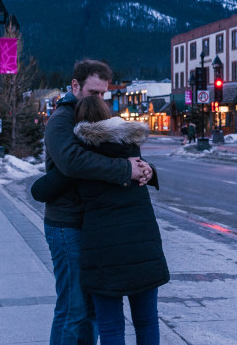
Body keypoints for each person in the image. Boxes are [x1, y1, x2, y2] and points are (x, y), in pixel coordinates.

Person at [33, 96, 168, 345]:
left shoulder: (85, 158)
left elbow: (40, 190)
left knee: (111, 326)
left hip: (105, 255)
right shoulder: (132, 150)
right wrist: (148, 169)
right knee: (147, 320)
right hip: (144, 247)